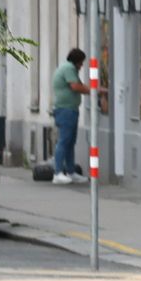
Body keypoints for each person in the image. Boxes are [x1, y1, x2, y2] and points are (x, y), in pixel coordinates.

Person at [50, 46, 86, 183]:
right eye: (81, 62)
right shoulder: (69, 68)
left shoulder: (68, 68)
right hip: (65, 110)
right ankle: (58, 172)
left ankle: (71, 172)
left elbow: (79, 85)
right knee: (64, 141)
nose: (82, 66)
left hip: (69, 109)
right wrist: (94, 90)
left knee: (70, 142)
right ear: (76, 61)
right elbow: (76, 86)